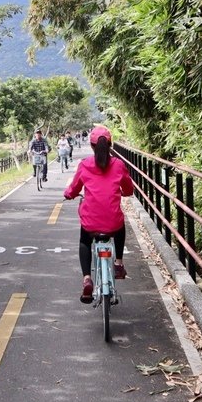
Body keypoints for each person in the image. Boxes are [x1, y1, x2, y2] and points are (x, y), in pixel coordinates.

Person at [62, 125, 134, 303]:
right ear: (110, 145)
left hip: (91, 222)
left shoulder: (85, 165)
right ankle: (118, 263)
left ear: (92, 146)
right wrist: (124, 192)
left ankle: (87, 278)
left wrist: (69, 194)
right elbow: (128, 188)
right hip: (113, 223)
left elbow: (74, 188)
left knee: (84, 241)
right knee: (119, 222)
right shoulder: (118, 165)